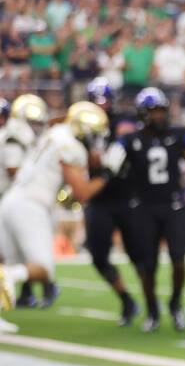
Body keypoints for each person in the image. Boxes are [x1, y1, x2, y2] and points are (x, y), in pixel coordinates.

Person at [110, 87, 185, 331]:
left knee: (179, 260)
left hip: (173, 205)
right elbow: (114, 170)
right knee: (148, 267)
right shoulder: (130, 140)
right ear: (143, 113)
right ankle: (151, 310)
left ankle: (176, 304)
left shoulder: (176, 134)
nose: (160, 116)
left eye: (162, 111)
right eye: (154, 111)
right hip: (144, 208)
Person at [0, 102, 111, 326]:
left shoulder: (56, 132)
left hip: (11, 202)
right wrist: (107, 175)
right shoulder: (71, 147)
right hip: (30, 206)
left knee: (9, 263)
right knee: (42, 269)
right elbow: (82, 193)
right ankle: (9, 278)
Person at [82, 77, 144, 325]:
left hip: (127, 196)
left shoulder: (122, 122)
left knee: (139, 254)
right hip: (99, 199)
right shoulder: (82, 128)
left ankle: (149, 301)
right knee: (98, 256)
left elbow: (127, 137)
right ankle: (127, 301)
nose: (101, 106)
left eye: (105, 101)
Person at [3, 95, 51, 307]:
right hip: (9, 198)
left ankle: (26, 293)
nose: (36, 127)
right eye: (32, 122)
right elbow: (14, 171)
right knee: (9, 257)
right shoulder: (14, 136)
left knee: (14, 255)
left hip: (9, 200)